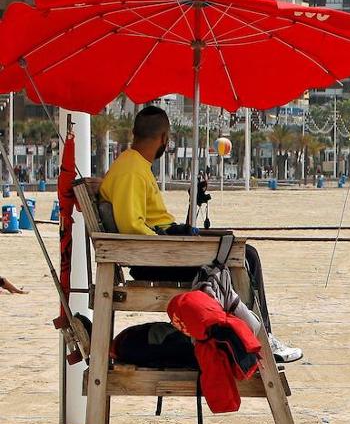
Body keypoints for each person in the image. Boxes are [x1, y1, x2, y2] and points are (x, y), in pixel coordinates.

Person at [101, 106, 303, 363]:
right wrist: (176, 246)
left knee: (245, 254)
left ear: (135, 132)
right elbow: (131, 227)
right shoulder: (131, 170)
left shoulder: (134, 165)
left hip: (162, 250)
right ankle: (261, 340)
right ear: (164, 138)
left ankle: (257, 336)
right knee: (244, 258)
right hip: (156, 258)